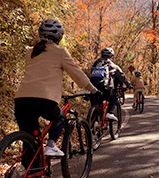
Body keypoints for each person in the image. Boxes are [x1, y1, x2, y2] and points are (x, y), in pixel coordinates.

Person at [15, 19, 99, 167]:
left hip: (22, 100)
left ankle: (29, 175)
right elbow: (76, 73)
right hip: (44, 99)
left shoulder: (31, 52)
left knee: (30, 139)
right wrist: (92, 89)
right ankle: (51, 145)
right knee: (60, 116)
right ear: (59, 36)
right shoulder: (60, 52)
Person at [90, 47, 132, 121]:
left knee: (95, 104)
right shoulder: (113, 65)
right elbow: (122, 76)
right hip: (106, 89)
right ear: (111, 57)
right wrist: (129, 85)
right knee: (114, 98)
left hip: (93, 88)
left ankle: (92, 123)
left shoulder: (96, 64)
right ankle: (110, 112)